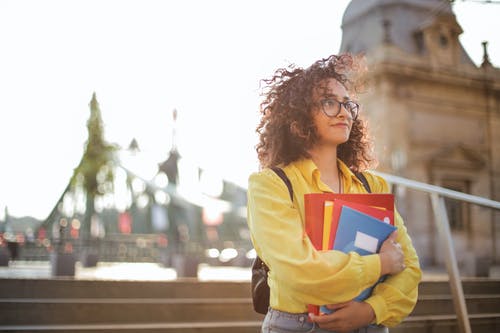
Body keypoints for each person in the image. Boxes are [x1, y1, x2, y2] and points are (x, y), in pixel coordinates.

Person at [247, 53, 422, 333]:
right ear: (297, 118)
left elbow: (410, 269)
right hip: (298, 326)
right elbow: (301, 271)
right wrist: (381, 263)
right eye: (329, 102)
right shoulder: (271, 185)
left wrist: (370, 310)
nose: (343, 112)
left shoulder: (372, 186)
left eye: (346, 104)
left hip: (370, 325)